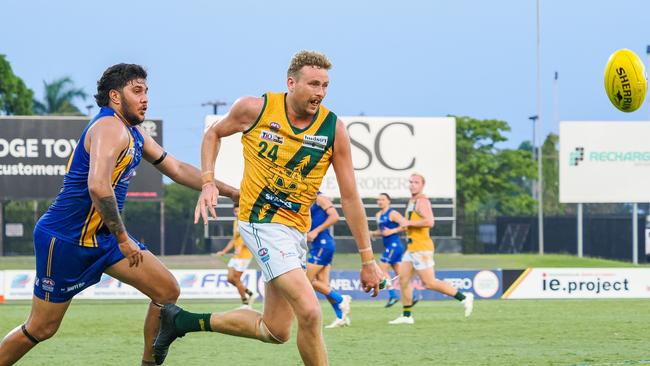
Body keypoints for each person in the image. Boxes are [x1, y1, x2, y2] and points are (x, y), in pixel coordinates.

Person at [153, 50, 384, 366]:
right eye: (313, 84)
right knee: (310, 311)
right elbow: (213, 134)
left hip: (294, 231)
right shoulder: (255, 108)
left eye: (325, 85)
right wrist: (208, 181)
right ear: (291, 82)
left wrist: (368, 259)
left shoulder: (333, 129)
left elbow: (350, 198)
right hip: (260, 221)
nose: (320, 92)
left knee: (275, 330)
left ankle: (181, 321)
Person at [0, 64, 238, 366]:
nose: (145, 98)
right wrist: (123, 238)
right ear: (115, 96)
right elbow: (98, 187)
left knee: (166, 290)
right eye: (136, 90)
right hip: (65, 240)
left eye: (147, 91)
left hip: (104, 239)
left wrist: (228, 190)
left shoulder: (134, 132)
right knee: (41, 327)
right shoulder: (108, 127)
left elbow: (176, 168)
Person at [389, 173, 474, 325]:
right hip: (412, 248)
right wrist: (399, 227)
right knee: (403, 279)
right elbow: (409, 224)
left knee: (429, 283)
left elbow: (429, 221)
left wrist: (406, 223)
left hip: (421, 248)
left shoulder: (422, 201)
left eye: (416, 182)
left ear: (422, 185)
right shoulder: (412, 201)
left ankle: (464, 297)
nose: (412, 184)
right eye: (411, 182)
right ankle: (407, 316)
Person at [306, 193, 351, 328]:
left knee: (305, 280)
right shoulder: (307, 198)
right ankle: (341, 317)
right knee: (324, 285)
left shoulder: (320, 198)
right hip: (319, 245)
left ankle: (342, 299)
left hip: (323, 244)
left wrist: (316, 231)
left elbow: (335, 216)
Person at [215, 203, 256, 309]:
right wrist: (224, 251)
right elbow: (234, 239)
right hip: (236, 256)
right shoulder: (235, 222)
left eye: (239, 211)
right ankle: (250, 293)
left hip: (245, 255)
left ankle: (245, 303)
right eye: (235, 211)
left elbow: (251, 238)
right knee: (230, 279)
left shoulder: (247, 222)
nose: (237, 213)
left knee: (236, 278)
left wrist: (241, 246)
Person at [370, 193, 406, 308]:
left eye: (383, 199)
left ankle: (393, 295)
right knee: (401, 274)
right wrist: (372, 233)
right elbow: (382, 231)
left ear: (388, 201)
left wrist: (393, 231)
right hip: (389, 246)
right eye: (378, 200)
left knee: (381, 269)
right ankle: (411, 296)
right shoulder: (378, 215)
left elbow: (405, 225)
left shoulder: (393, 213)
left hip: (394, 246)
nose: (380, 201)